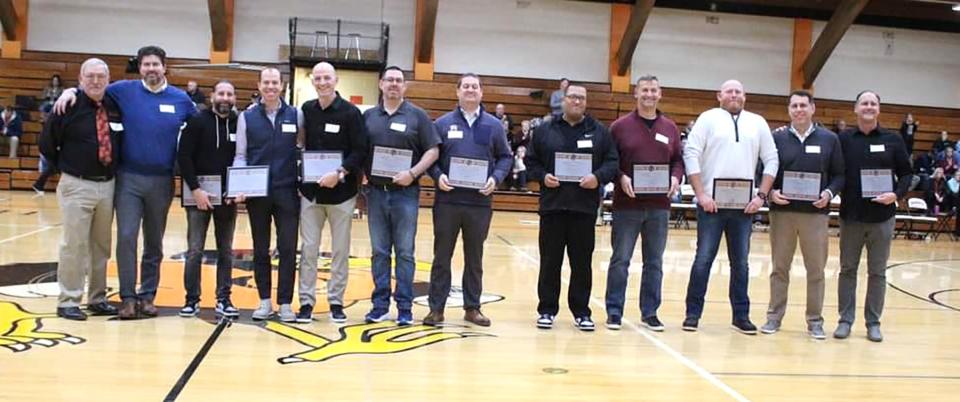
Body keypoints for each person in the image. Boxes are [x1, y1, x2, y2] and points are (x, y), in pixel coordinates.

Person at [54, 45, 196, 319]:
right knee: (127, 238)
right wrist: (69, 90)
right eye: (146, 65)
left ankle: (148, 296)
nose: (151, 69)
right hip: (128, 179)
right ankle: (128, 297)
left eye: (156, 64)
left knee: (154, 242)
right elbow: (91, 88)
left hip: (162, 181)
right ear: (139, 68)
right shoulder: (122, 90)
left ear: (164, 67)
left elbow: (200, 126)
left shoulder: (181, 100)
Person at [681, 79, 779, 334]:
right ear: (719, 95)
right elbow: (691, 153)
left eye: (739, 91)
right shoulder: (707, 118)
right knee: (703, 260)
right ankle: (692, 314)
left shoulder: (757, 122)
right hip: (711, 206)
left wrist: (761, 196)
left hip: (744, 208)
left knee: (741, 263)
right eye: (729, 91)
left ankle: (741, 315)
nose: (734, 95)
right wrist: (701, 194)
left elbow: (772, 159)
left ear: (745, 96)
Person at [525, 82, 618, 331]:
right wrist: (543, 177)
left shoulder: (599, 132)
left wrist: (597, 178)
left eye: (581, 98)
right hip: (553, 208)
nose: (577, 101)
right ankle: (546, 310)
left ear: (586, 103)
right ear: (563, 100)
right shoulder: (545, 130)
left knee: (581, 264)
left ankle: (581, 312)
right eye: (573, 97)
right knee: (549, 262)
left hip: (583, 210)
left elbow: (612, 163)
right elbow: (530, 162)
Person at [422, 73, 512, 327]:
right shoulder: (442, 123)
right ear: (457, 92)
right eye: (466, 86)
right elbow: (431, 157)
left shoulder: (494, 125)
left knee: (475, 257)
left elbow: (505, 157)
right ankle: (436, 308)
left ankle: (472, 308)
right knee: (442, 256)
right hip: (448, 202)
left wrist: (495, 178)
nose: (470, 90)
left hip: (479, 203)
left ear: (482, 93)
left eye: (475, 86)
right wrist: (437, 176)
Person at [38, 58, 120, 321]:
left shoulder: (114, 105)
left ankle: (97, 298)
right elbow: (47, 143)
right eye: (90, 76)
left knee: (101, 245)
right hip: (77, 183)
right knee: (74, 245)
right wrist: (67, 165)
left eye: (100, 77)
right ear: (81, 79)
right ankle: (68, 300)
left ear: (108, 80)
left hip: (108, 185)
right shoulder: (67, 105)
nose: (95, 81)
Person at [761, 90, 844, 339]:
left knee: (816, 269)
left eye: (803, 105)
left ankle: (815, 321)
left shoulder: (829, 139)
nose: (799, 110)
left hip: (815, 215)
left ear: (812, 108)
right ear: (789, 110)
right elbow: (762, 169)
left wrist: (829, 193)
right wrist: (771, 193)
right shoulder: (776, 139)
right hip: (782, 213)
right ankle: (774, 317)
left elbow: (840, 174)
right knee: (779, 268)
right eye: (794, 106)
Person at [603, 75, 683, 332]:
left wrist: (675, 177)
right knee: (620, 260)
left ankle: (650, 313)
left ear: (660, 94)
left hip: (659, 206)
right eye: (644, 90)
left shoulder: (670, 127)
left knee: (655, 262)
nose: (649, 94)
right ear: (636, 94)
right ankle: (614, 311)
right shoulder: (619, 126)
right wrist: (620, 176)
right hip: (628, 205)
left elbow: (678, 161)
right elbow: (608, 160)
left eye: (653, 90)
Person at [362, 66, 440, 325]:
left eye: (398, 80)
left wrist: (414, 173)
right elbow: (359, 150)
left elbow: (433, 151)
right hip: (375, 193)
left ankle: (404, 307)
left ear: (404, 86)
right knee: (379, 251)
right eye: (389, 80)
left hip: (406, 193)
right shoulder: (369, 116)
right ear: (381, 84)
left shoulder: (418, 116)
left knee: (405, 252)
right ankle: (380, 305)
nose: (394, 84)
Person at [835, 90, 912, 342]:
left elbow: (907, 175)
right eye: (864, 103)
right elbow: (835, 172)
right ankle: (845, 320)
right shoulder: (843, 139)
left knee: (877, 272)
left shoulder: (894, 139)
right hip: (851, 216)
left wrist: (896, 194)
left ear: (878, 109)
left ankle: (873, 322)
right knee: (847, 270)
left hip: (882, 218)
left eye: (873, 103)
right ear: (856, 109)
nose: (868, 107)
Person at [296, 62, 368, 324]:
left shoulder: (351, 113)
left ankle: (336, 301)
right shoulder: (307, 109)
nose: (323, 82)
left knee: (340, 250)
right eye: (318, 78)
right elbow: (302, 143)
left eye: (327, 78)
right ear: (313, 81)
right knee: (309, 250)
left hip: (342, 194)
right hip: (311, 194)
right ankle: (306, 301)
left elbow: (360, 150)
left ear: (336, 81)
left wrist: (339, 173)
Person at [233, 67, 302, 322]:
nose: (271, 87)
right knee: (260, 249)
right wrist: (239, 183)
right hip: (257, 194)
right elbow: (241, 155)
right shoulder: (247, 117)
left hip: (287, 192)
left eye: (275, 83)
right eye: (266, 83)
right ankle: (264, 301)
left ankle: (285, 303)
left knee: (287, 248)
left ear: (282, 86)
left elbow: (303, 148)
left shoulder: (296, 114)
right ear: (259, 85)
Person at [176, 80, 240, 318]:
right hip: (198, 196)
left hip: (227, 197)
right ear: (212, 96)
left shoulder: (239, 123)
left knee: (226, 250)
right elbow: (184, 156)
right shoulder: (196, 121)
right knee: (194, 250)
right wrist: (195, 189)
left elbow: (244, 158)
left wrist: (236, 188)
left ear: (234, 98)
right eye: (221, 93)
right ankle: (191, 299)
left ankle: (224, 298)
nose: (225, 97)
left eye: (229, 94)